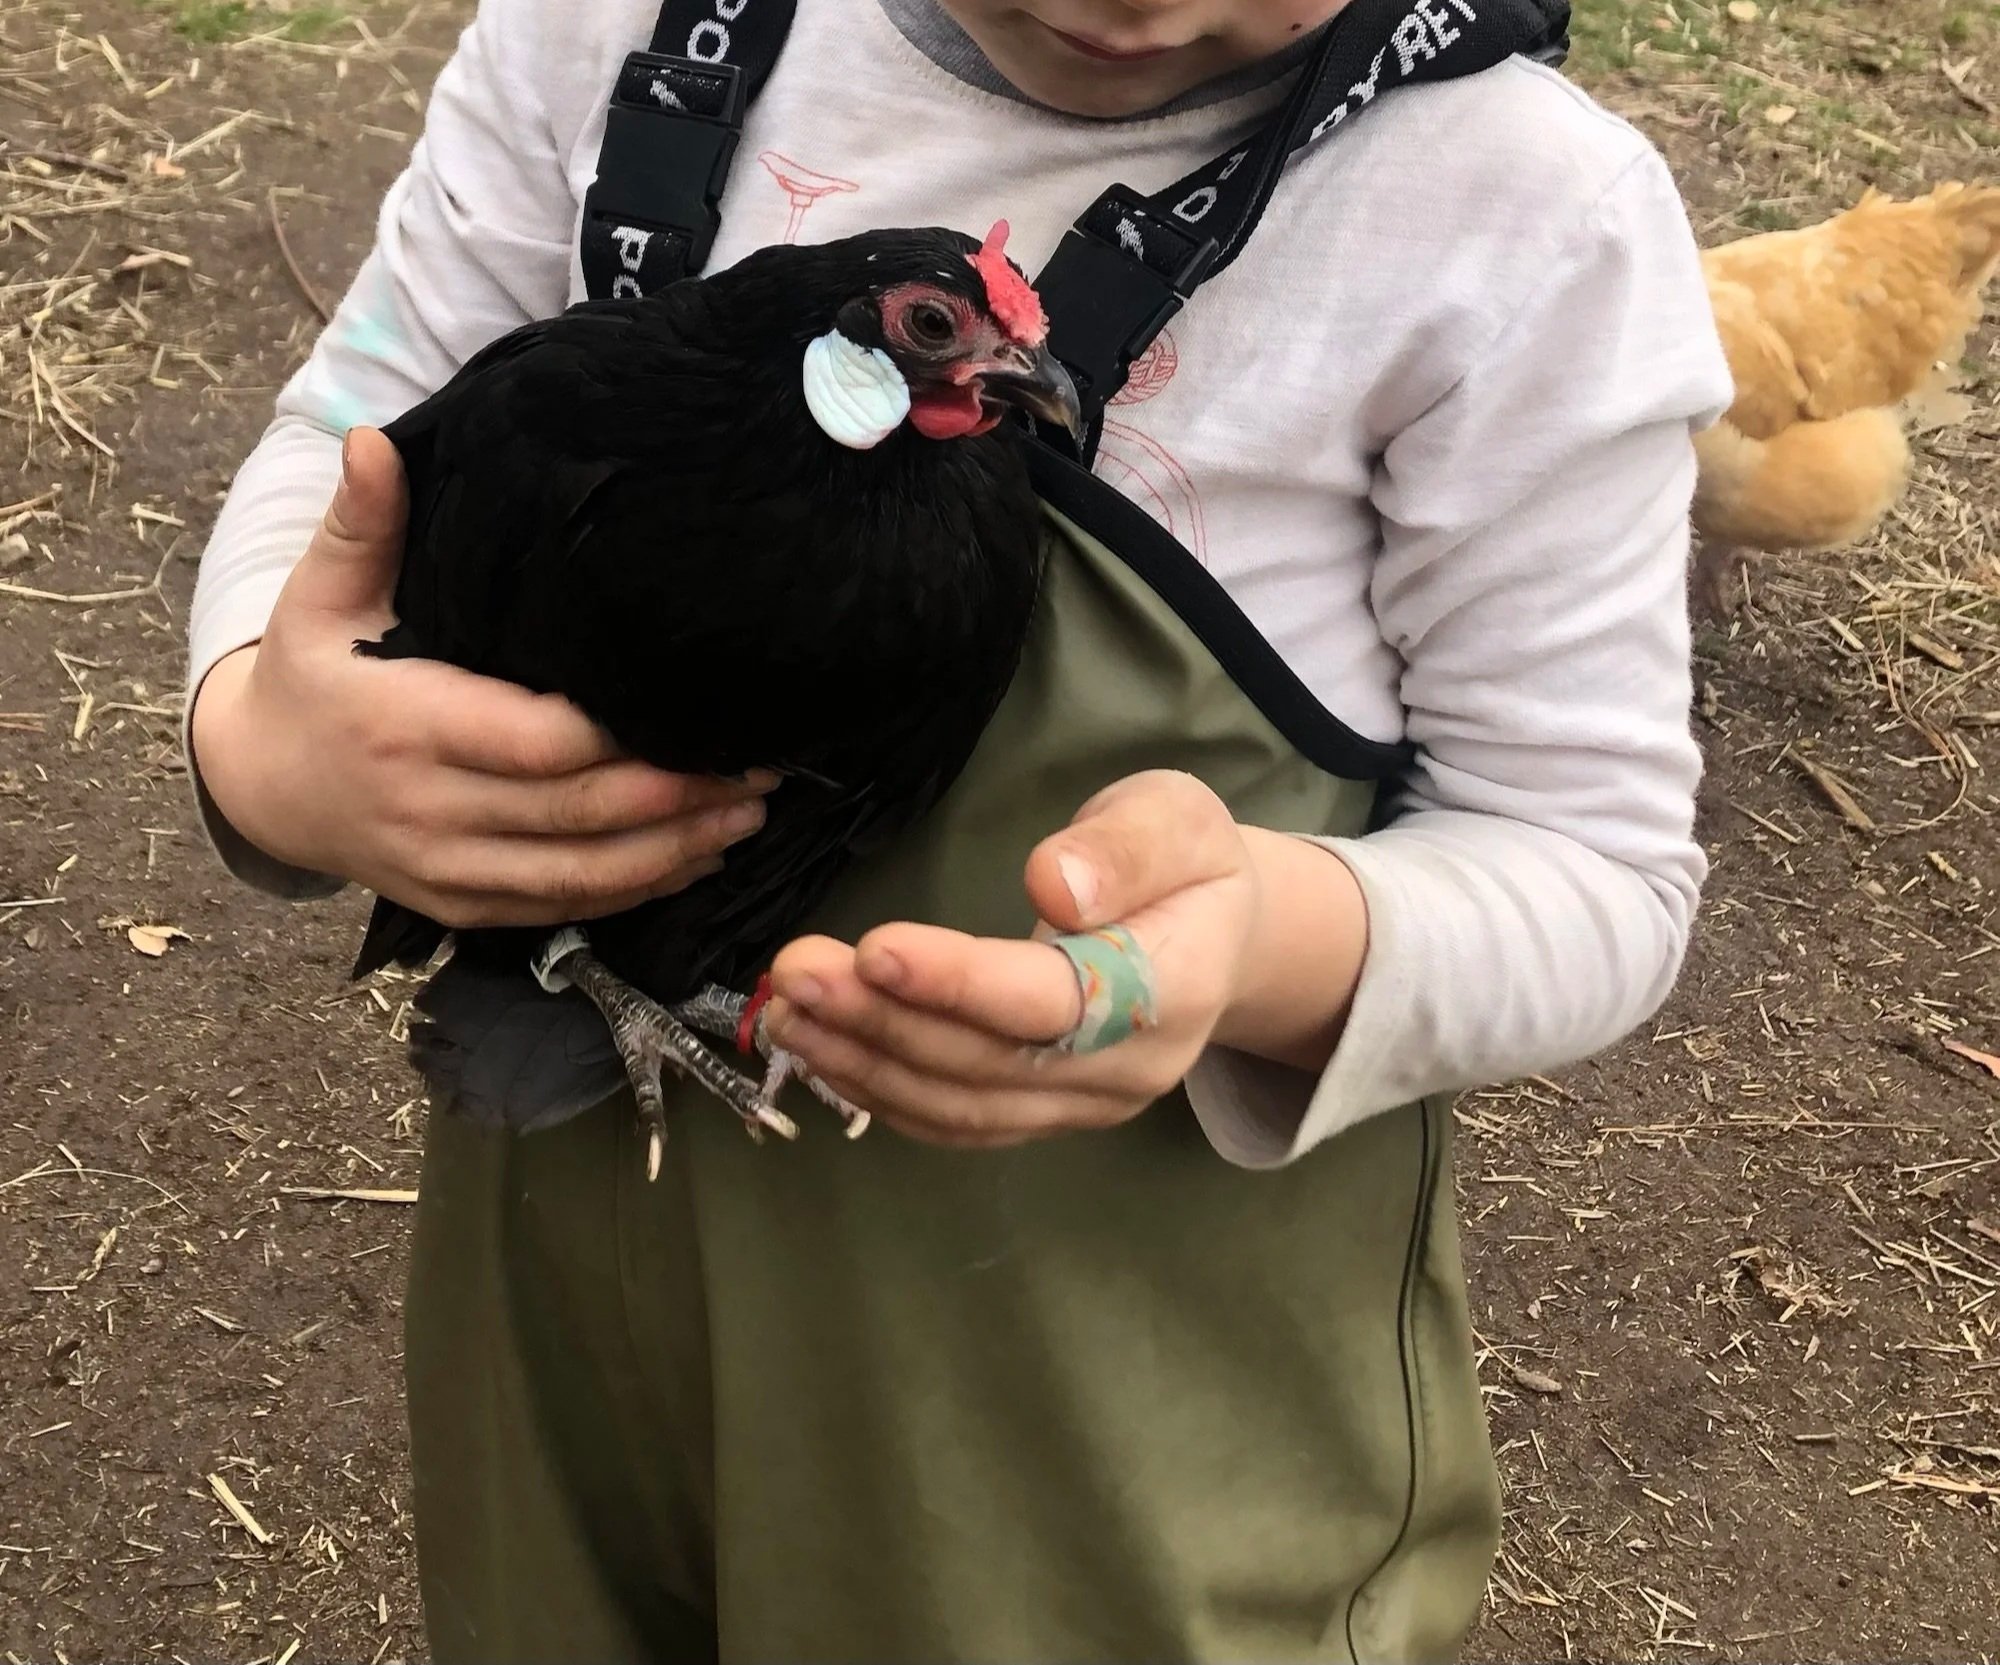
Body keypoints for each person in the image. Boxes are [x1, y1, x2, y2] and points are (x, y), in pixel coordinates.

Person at [184, 0, 1734, 1657]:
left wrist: (1260, 940)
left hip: (1096, 1424)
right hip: (568, 1322)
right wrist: (260, 730)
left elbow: (1597, 860)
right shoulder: (612, 28)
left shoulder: (1523, 224)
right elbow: (351, 443)